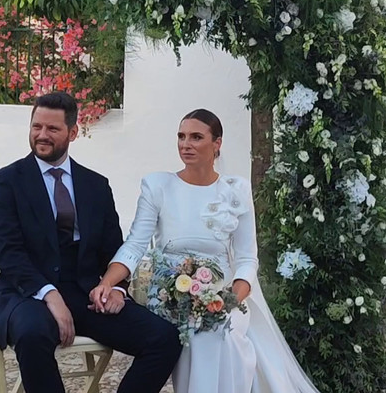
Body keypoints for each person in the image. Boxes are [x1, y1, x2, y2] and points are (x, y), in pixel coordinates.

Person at [90, 108, 321, 393]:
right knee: (195, 337)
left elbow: (248, 259)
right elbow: (135, 245)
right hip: (169, 296)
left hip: (224, 295)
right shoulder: (158, 185)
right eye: (181, 136)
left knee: (225, 334)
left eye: (196, 137)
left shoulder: (236, 190)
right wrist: (107, 282)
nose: (185, 144)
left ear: (217, 143)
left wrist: (228, 302)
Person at [0, 92, 182, 393]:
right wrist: (50, 296)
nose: (42, 135)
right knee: (32, 334)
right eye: (36, 127)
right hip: (29, 292)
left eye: (53, 129)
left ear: (73, 132)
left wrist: (116, 288)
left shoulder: (96, 185)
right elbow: (8, 253)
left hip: (86, 292)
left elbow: (113, 248)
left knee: (165, 338)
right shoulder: (5, 182)